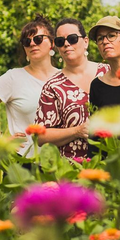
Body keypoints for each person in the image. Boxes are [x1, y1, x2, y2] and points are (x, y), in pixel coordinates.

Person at [0, 15, 58, 154]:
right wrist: (0, 139)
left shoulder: (65, 77)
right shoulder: (14, 77)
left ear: (52, 43)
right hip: (23, 163)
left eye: (38, 39)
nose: (32, 44)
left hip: (59, 163)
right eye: (26, 41)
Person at [35, 18, 107, 159]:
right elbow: (41, 136)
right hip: (73, 169)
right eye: (60, 41)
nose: (67, 44)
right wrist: (77, 131)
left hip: (112, 161)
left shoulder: (107, 71)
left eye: (72, 38)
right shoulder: (53, 86)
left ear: (85, 41)